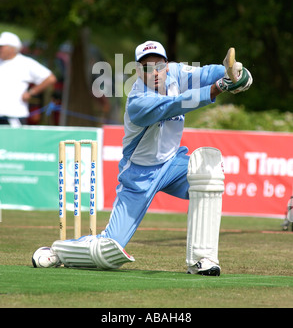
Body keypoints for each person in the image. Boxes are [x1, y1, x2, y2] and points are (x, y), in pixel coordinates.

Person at [34, 41, 252, 275]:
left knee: (208, 179)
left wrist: (237, 72)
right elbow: (177, 104)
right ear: (138, 71)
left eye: (159, 65)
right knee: (110, 245)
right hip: (140, 175)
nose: (154, 71)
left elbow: (208, 72)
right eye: (147, 67)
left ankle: (202, 260)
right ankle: (58, 252)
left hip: (172, 164)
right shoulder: (138, 100)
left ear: (167, 65)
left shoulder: (176, 73)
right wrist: (220, 87)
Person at [0, 31, 57, 126]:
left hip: (14, 115)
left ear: (12, 48)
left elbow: (50, 78)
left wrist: (31, 92)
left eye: (2, 47)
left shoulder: (25, 63)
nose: (0, 49)